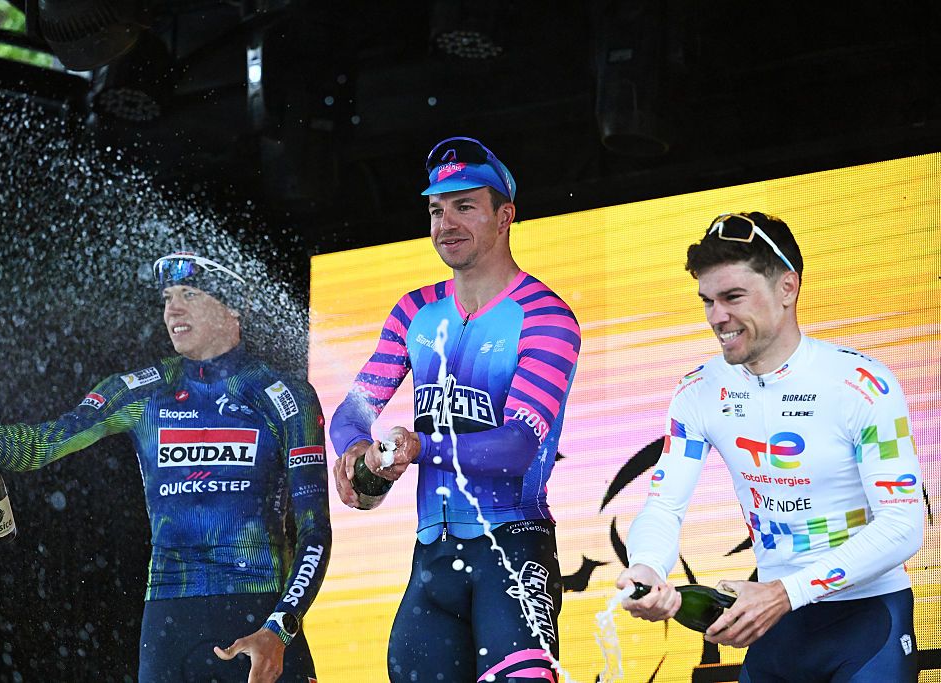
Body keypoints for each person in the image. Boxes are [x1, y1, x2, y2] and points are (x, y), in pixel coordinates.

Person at [0, 252, 332, 683]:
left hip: (261, 615)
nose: (173, 310)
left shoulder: (285, 396)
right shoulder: (141, 391)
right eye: (167, 298)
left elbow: (315, 532)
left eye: (189, 294)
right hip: (169, 624)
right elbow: (45, 443)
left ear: (233, 307)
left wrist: (280, 628)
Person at [617, 212, 924, 681]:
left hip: (865, 619)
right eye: (707, 301)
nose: (717, 317)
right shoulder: (699, 391)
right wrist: (647, 567)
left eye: (732, 297)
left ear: (787, 288)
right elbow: (664, 505)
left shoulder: (860, 383)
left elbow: (903, 525)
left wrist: (786, 592)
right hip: (774, 625)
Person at [330, 136, 582, 682]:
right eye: (436, 210)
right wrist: (354, 449)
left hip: (513, 553)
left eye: (465, 206)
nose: (446, 224)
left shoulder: (546, 316)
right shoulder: (414, 309)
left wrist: (420, 447)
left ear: (505, 216)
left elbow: (516, 447)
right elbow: (352, 409)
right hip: (432, 560)